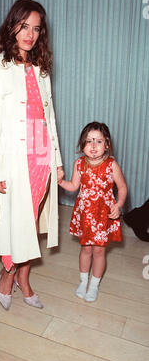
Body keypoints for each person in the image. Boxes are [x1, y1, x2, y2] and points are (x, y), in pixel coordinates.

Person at [0, 0, 64, 310]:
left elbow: (49, 116)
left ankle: (21, 277)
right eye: (24, 26)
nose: (30, 34)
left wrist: (56, 160)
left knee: (31, 219)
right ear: (12, 24)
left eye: (36, 29)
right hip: (12, 159)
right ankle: (9, 275)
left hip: (41, 156)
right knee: (16, 222)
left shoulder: (40, 68)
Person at [59, 122, 127, 302]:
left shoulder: (112, 165)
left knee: (99, 251)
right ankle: (83, 281)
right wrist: (60, 181)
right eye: (89, 141)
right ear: (82, 145)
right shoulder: (79, 164)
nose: (94, 146)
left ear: (107, 144)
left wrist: (118, 205)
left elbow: (122, 187)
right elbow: (73, 186)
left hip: (103, 215)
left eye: (99, 141)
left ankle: (94, 285)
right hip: (85, 214)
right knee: (86, 249)